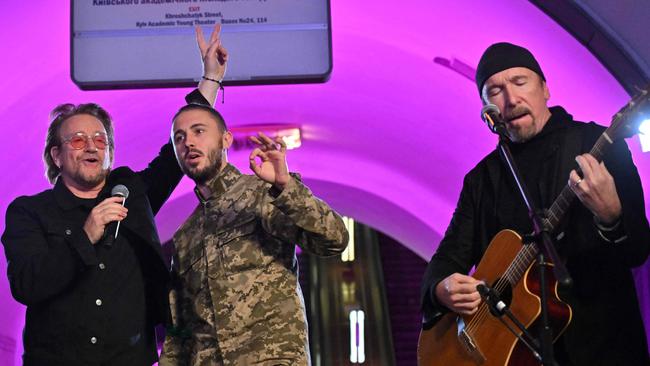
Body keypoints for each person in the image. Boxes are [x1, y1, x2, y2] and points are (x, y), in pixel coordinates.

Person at [1, 25, 227, 366]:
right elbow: (27, 284)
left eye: (100, 139)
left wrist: (210, 79)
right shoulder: (29, 212)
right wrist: (85, 235)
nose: (91, 145)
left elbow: (172, 156)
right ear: (56, 156)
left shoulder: (132, 197)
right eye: (78, 140)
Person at [420, 42, 650, 365]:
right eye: (496, 90)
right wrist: (441, 288)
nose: (511, 99)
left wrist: (612, 217)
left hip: (604, 349)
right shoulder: (482, 181)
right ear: (487, 111)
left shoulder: (598, 145)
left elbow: (638, 250)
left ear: (545, 88)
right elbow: (444, 261)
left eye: (520, 82)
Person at [159, 97, 349, 364]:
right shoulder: (185, 235)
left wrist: (286, 188)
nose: (188, 141)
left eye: (199, 131)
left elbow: (334, 239)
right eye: (179, 137)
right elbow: (178, 333)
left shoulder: (263, 194)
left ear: (226, 140)